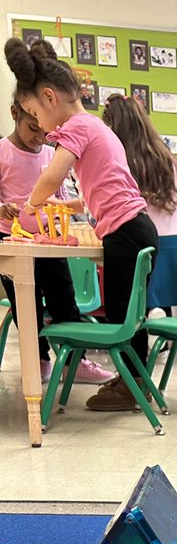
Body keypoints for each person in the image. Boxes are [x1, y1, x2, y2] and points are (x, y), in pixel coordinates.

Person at [4, 36, 159, 412]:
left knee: (123, 315)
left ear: (49, 97)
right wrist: (74, 203)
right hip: (137, 226)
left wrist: (32, 202)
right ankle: (134, 381)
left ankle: (131, 386)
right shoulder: (96, 127)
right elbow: (105, 186)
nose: (40, 124)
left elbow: (51, 177)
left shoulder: (76, 128)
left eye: (36, 113)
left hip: (126, 232)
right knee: (130, 315)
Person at [0, 100, 112, 383]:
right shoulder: (2, 152)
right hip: (14, 244)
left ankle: (75, 362)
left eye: (43, 131)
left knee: (64, 298)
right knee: (26, 306)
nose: (39, 136)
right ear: (15, 113)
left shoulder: (52, 155)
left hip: (50, 241)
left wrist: (69, 206)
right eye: (32, 129)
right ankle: (38, 361)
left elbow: (61, 197)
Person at [101, 94, 177, 314]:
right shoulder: (162, 154)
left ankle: (147, 337)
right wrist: (173, 214)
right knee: (161, 301)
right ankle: (160, 342)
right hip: (172, 237)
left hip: (139, 237)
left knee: (136, 301)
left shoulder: (121, 156)